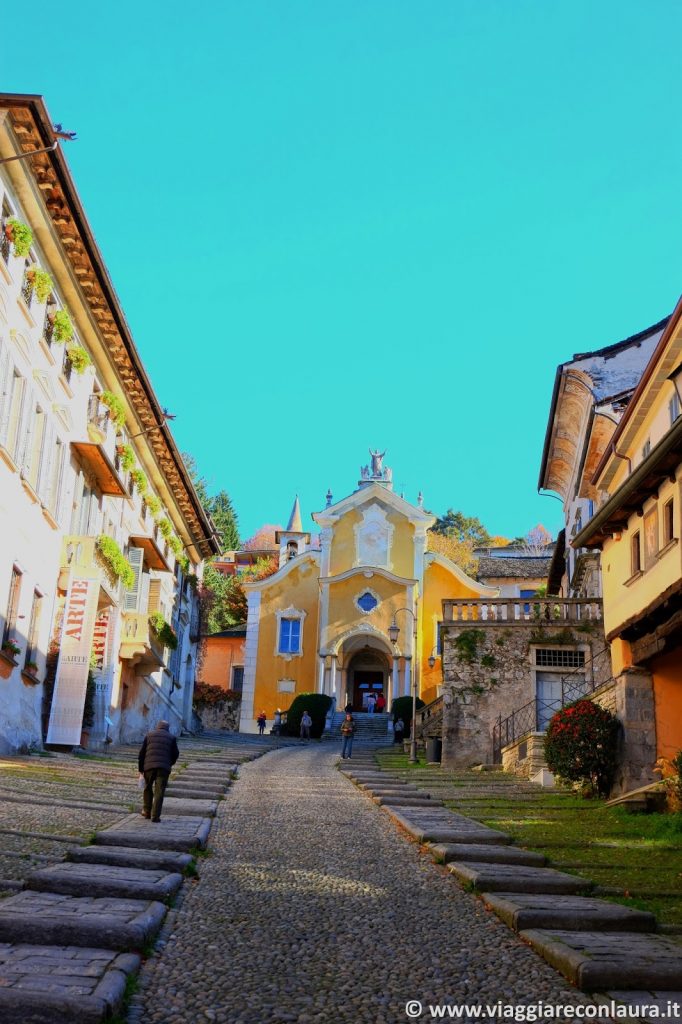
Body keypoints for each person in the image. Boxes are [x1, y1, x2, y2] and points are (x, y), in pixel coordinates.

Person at [138, 720, 179, 823]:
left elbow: (142, 753)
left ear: (157, 727)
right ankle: (155, 816)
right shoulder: (171, 738)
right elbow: (175, 754)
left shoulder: (149, 735)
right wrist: (169, 763)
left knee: (147, 788)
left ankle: (147, 811)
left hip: (149, 767)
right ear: (167, 728)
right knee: (159, 792)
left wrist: (140, 769)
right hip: (163, 768)